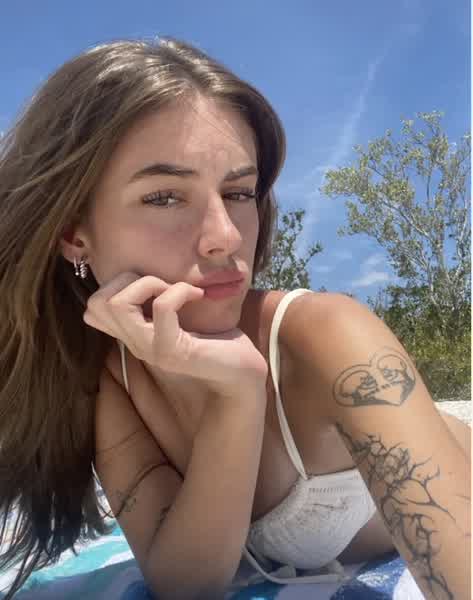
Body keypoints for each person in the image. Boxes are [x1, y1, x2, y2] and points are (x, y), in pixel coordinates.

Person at [0, 36, 470, 600]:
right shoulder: (114, 377)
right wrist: (237, 396)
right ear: (74, 234)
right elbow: (185, 582)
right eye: (164, 197)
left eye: (239, 192)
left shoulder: (327, 338)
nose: (225, 236)